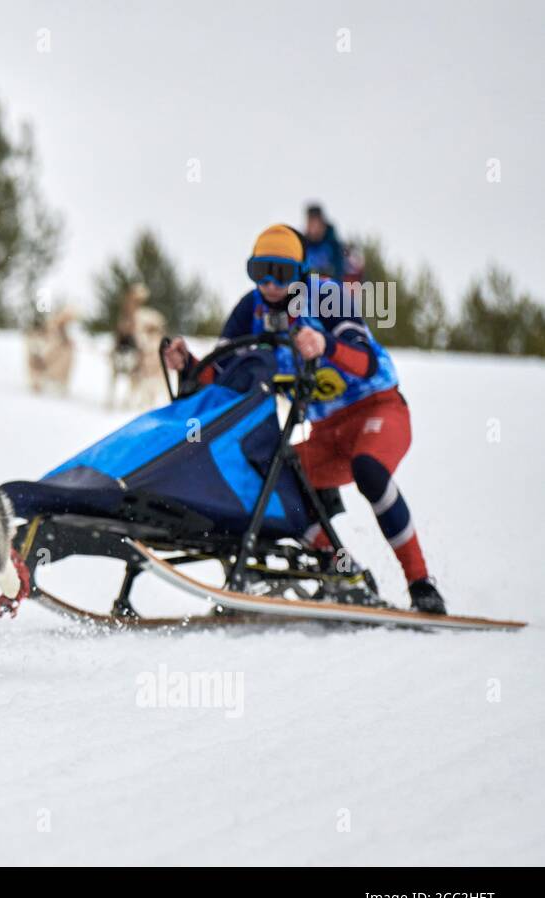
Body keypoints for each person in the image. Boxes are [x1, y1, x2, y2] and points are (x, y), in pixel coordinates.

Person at [163, 224, 446, 614]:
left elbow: (365, 362)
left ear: (299, 272)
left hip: (378, 410)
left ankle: (421, 584)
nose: (269, 284)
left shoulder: (326, 296)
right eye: (258, 271)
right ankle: (342, 570)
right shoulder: (251, 310)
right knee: (276, 484)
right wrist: (189, 365)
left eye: (279, 272)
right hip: (327, 431)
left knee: (370, 471)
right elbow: (226, 377)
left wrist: (326, 344)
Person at [303, 203, 345, 280]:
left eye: (316, 224)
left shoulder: (333, 246)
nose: (314, 229)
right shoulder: (302, 245)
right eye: (311, 224)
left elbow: (339, 270)